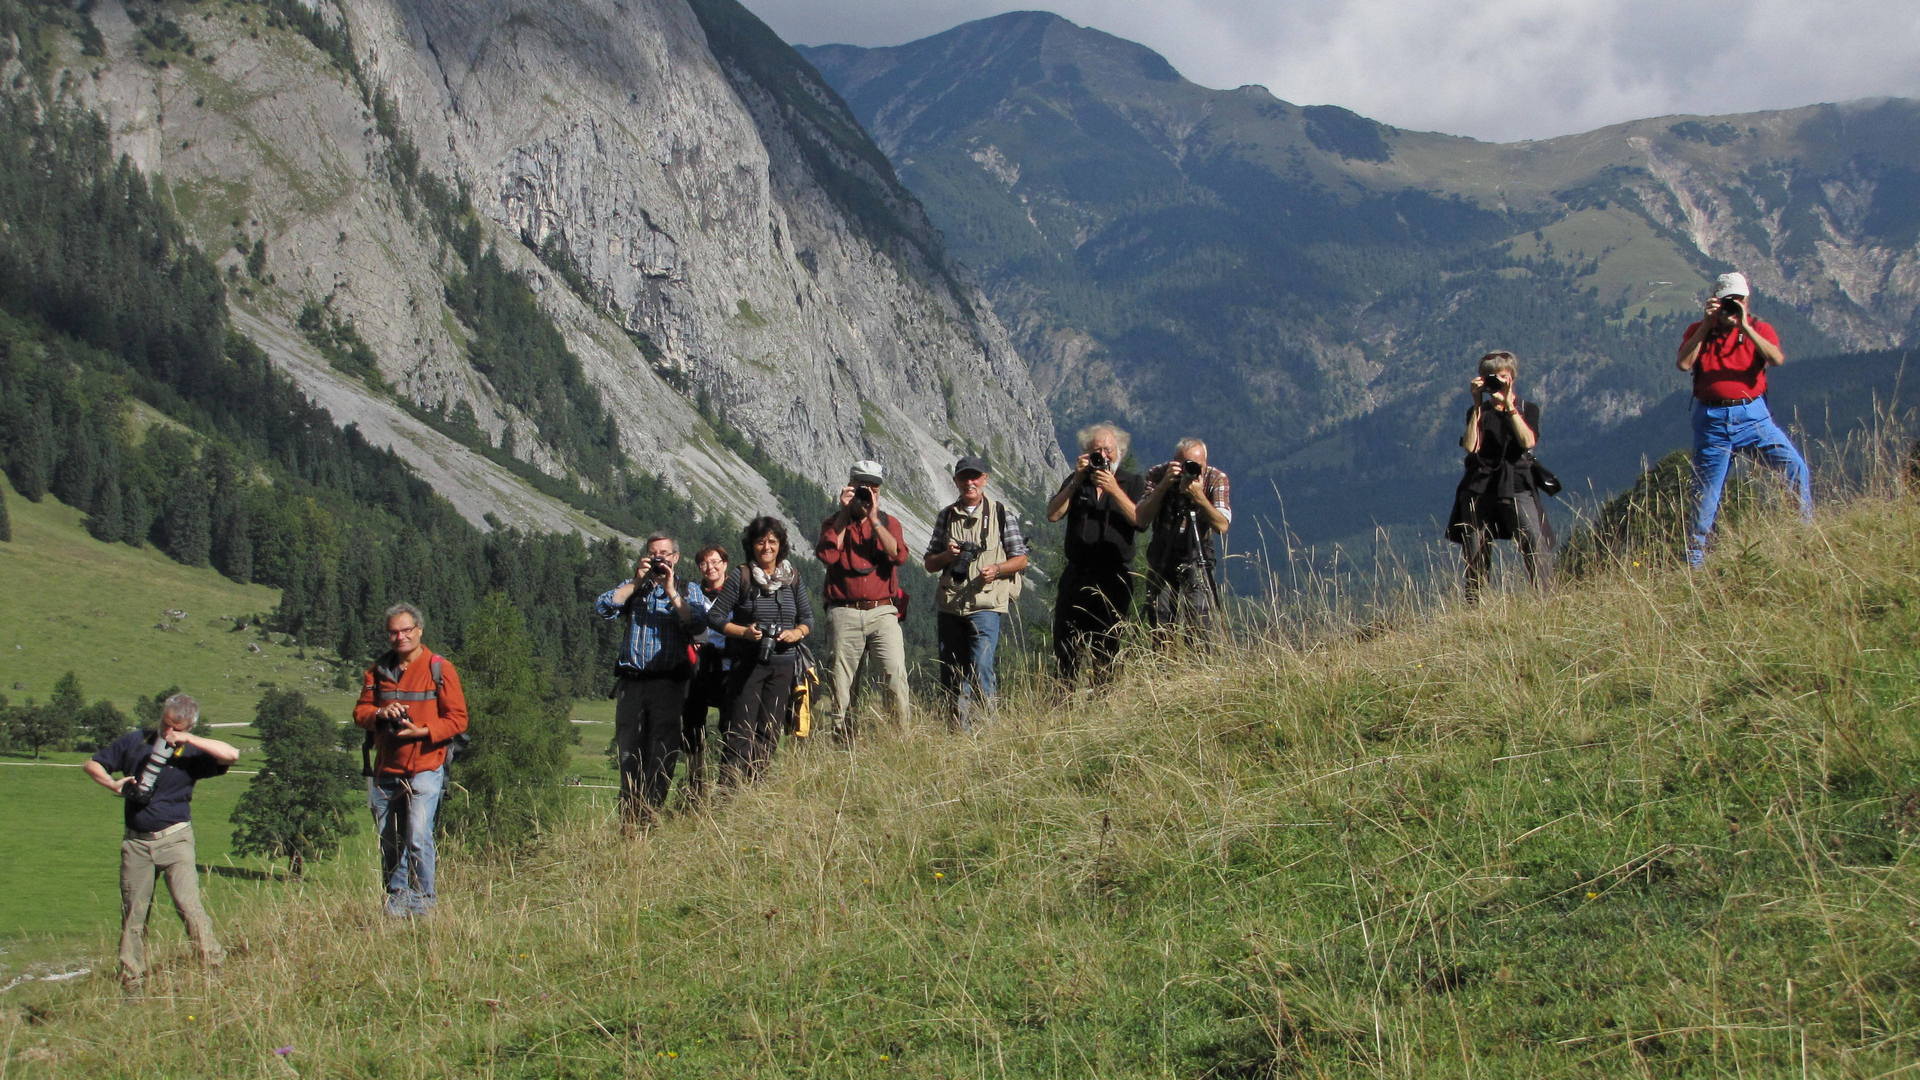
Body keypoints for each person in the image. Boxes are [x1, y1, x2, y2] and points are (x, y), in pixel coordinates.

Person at [85, 693, 237, 989]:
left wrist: (187, 739)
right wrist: (113, 784)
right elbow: (92, 764)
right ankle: (132, 979)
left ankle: (213, 967)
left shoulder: (192, 753)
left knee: (188, 904)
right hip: (136, 844)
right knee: (134, 913)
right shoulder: (136, 742)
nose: (168, 731)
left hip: (176, 840)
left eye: (176, 727)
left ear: (189, 726)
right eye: (165, 724)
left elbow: (230, 755)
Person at [1676, 271, 1813, 566]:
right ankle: (1695, 562)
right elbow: (1684, 363)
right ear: (1715, 302)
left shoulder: (1759, 328)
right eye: (1727, 301)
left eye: (1737, 300)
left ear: (1746, 301)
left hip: (1752, 416)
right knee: (1705, 494)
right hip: (1712, 419)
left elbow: (1776, 359)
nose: (1732, 306)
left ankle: (1804, 538)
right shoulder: (1699, 331)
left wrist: (1746, 327)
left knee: (1794, 468)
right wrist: (1706, 326)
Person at [354, 603, 468, 917]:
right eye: (394, 632)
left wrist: (424, 731)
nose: (400, 637)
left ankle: (423, 901)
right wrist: (380, 713)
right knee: (389, 840)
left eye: (406, 630)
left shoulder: (439, 668)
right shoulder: (376, 671)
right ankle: (396, 899)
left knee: (418, 835)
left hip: (426, 764)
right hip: (387, 767)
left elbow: (458, 719)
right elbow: (360, 713)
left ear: (419, 630)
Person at [593, 536, 710, 822]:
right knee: (629, 751)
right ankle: (629, 818)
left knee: (663, 752)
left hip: (669, 684)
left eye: (665, 554)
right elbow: (603, 607)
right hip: (631, 683)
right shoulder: (635, 588)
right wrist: (637, 581)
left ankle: (651, 815)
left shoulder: (687, 589)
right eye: (653, 553)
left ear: (675, 558)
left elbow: (698, 624)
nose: (659, 559)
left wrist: (670, 590)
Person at [924, 455, 1030, 728]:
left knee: (981, 666)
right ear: (956, 481)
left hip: (986, 604)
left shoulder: (1001, 513)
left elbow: (1021, 559)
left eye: (975, 477)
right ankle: (958, 730)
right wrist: (948, 556)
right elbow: (930, 563)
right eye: (964, 477)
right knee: (952, 671)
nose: (969, 482)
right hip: (951, 605)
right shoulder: (946, 516)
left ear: (985, 479)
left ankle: (987, 727)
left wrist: (997, 569)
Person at [708, 516, 815, 785]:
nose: (766, 547)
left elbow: (808, 619)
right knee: (740, 731)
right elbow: (715, 617)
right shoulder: (742, 576)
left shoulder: (792, 577)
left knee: (769, 732)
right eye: (760, 542)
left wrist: (796, 633)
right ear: (752, 545)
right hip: (748, 664)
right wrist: (744, 632)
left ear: (781, 545)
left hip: (783, 665)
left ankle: (756, 792)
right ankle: (729, 793)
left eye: (772, 541)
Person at [1445, 350, 1556, 602]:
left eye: (1502, 377)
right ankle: (1476, 605)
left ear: (1512, 378)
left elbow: (1528, 441)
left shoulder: (1527, 409)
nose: (1497, 382)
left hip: (1516, 483)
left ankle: (1546, 600)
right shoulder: (1478, 411)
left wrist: (1509, 407)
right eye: (1491, 377)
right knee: (1475, 550)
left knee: (1534, 541)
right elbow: (1471, 446)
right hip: (1479, 486)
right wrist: (1477, 404)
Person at [814, 459, 911, 740]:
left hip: (882, 610)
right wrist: (845, 514)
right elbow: (828, 555)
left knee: (894, 674)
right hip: (844, 609)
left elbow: (898, 555)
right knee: (841, 683)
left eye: (873, 488)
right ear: (850, 486)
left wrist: (874, 518)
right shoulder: (834, 523)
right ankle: (843, 742)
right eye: (861, 487)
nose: (867, 492)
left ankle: (900, 739)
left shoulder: (889, 523)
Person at [1046, 422, 1146, 680]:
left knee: (1107, 648)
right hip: (1077, 575)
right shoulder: (1078, 481)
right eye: (1096, 451)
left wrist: (1113, 489)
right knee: (1066, 645)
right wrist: (1076, 481)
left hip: (1114, 577)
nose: (1103, 455)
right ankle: (1064, 696)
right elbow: (1053, 514)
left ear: (1119, 451)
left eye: (1108, 450)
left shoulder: (1133, 482)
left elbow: (1140, 520)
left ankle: (1103, 697)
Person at [1134, 438, 1231, 638]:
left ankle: (1197, 655)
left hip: (1197, 553)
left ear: (1205, 464)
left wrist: (1199, 497)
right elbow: (1141, 519)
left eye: (1195, 466)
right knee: (1160, 617)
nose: (1189, 471)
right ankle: (1163, 654)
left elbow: (1222, 526)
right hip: (1163, 552)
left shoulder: (1215, 478)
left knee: (1199, 619)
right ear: (1174, 462)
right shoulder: (1159, 474)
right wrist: (1163, 486)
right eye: (1183, 464)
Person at [679, 545, 731, 806]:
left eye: (715, 562)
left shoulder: (737, 592)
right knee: (692, 723)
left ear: (725, 563)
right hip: (697, 664)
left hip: (728, 664)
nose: (710, 567)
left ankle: (727, 782)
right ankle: (695, 782)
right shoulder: (692, 592)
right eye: (704, 563)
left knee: (730, 724)